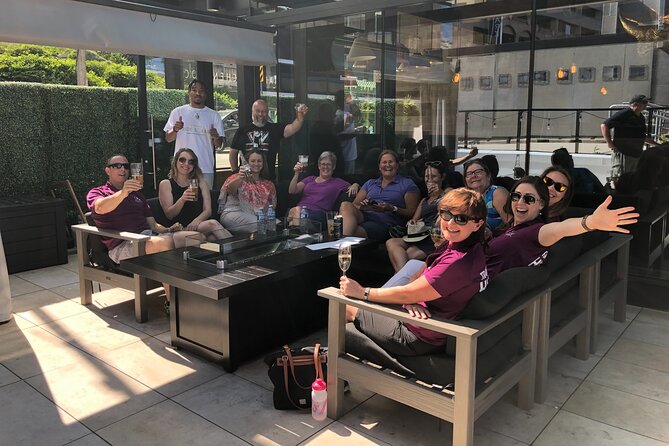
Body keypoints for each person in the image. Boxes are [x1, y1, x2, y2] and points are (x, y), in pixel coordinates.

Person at [339, 188, 489, 353]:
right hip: (421, 318)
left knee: (346, 307)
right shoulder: (459, 244)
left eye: (461, 219)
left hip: (420, 334)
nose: (451, 223)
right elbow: (421, 272)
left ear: (478, 224)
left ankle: (334, 370)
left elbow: (406, 293)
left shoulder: (458, 262)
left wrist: (362, 292)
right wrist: (412, 299)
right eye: (446, 214)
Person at [486, 176, 637, 278]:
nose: (520, 202)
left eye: (529, 199)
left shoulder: (534, 232)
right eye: (516, 196)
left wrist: (591, 222)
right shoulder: (510, 228)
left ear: (541, 204)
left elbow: (560, 229)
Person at [86, 155, 180, 312]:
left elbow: (153, 225)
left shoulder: (138, 195)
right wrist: (123, 192)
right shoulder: (98, 192)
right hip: (122, 245)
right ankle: (173, 304)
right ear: (107, 170)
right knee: (165, 243)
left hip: (147, 238)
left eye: (126, 165)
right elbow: (100, 208)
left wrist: (169, 230)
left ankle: (195, 295)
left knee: (191, 238)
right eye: (117, 165)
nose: (122, 169)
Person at [385, 160, 452, 272]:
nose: (429, 180)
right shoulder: (424, 200)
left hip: (435, 237)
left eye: (433, 176)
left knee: (407, 255)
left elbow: (452, 208)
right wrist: (412, 222)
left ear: (442, 177)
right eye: (427, 176)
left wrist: (439, 193)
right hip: (420, 235)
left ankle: (402, 281)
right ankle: (404, 282)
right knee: (391, 242)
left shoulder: (447, 193)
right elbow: (414, 220)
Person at [340, 150, 420, 241]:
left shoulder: (407, 184)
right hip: (365, 216)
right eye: (384, 162)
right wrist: (364, 207)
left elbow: (412, 212)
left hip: (385, 223)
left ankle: (341, 248)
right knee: (345, 205)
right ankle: (342, 247)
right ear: (379, 166)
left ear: (397, 165)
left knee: (351, 231)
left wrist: (392, 208)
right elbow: (354, 205)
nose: (387, 165)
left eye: (391, 162)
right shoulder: (370, 183)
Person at [158, 148, 232, 241]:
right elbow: (169, 215)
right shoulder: (166, 184)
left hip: (199, 224)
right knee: (213, 225)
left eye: (191, 162)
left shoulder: (201, 183)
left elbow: (208, 210)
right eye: (182, 160)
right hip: (179, 227)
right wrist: (182, 199)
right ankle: (238, 251)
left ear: (194, 165)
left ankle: (236, 251)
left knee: (213, 237)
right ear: (175, 162)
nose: (186, 164)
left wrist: (196, 221)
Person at [229, 99, 308, 180]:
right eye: (258, 111)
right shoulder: (242, 130)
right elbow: (233, 153)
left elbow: (292, 128)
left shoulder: (274, 129)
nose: (260, 114)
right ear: (252, 111)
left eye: (263, 111)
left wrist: (300, 117)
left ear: (267, 112)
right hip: (246, 177)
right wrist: (235, 172)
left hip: (268, 177)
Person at [164, 80, 223, 187]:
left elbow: (219, 144)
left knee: (205, 200)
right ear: (189, 93)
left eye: (201, 91)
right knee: (181, 198)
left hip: (205, 166)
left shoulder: (214, 115)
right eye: (194, 90)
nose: (197, 93)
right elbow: (168, 138)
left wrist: (216, 137)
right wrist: (175, 129)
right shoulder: (177, 112)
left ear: (206, 94)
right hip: (182, 166)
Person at [288, 151, 358, 226]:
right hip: (300, 211)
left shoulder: (337, 182)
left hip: (319, 214)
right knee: (295, 214)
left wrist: (355, 185)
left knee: (293, 214)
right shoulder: (310, 179)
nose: (325, 167)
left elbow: (354, 186)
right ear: (319, 166)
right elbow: (292, 190)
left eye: (329, 164)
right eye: (323, 164)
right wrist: (296, 173)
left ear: (333, 167)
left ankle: (297, 229)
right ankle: (301, 232)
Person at [601, 94, 659, 179]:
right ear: (635, 104)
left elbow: (642, 136)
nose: (646, 104)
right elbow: (604, 125)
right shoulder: (625, 114)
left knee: (631, 180)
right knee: (620, 178)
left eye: (647, 102)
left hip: (636, 155)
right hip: (624, 153)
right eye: (644, 102)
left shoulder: (641, 118)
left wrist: (657, 144)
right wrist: (609, 143)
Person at [219, 149, 277, 234]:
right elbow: (230, 190)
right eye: (252, 161)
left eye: (259, 161)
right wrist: (240, 178)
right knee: (261, 224)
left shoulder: (268, 184)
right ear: (247, 163)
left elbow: (273, 206)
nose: (256, 164)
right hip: (234, 213)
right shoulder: (236, 177)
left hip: (258, 216)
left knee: (278, 225)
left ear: (263, 163)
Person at [463, 159, 510, 230]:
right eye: (469, 174)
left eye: (478, 172)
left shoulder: (497, 193)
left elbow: (511, 224)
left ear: (488, 176)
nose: (474, 176)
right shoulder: (465, 197)